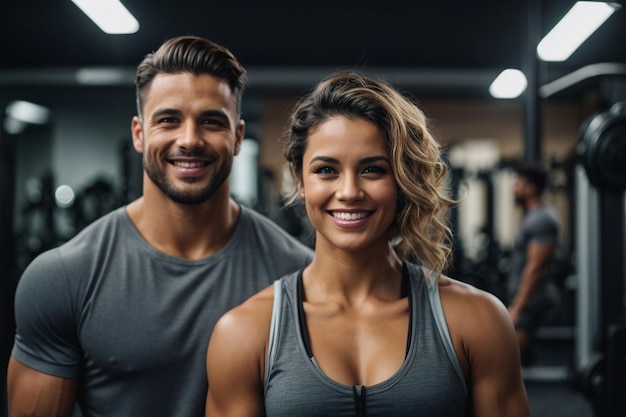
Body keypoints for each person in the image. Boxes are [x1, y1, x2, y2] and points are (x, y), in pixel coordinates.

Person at [7, 35, 313, 417]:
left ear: (236, 137)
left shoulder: (300, 275)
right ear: (139, 133)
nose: (189, 139)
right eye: (169, 120)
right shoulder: (64, 277)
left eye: (211, 121)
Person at [205, 71, 530, 416]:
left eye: (372, 170)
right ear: (300, 180)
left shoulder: (477, 321)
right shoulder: (244, 333)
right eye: (327, 170)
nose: (348, 192)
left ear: (402, 181)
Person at [507, 162, 561, 363]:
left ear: (531, 188)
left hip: (532, 301)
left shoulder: (542, 220)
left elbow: (536, 268)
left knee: (509, 362)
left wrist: (517, 308)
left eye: (518, 183)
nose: (514, 188)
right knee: (513, 363)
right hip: (527, 300)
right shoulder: (534, 217)